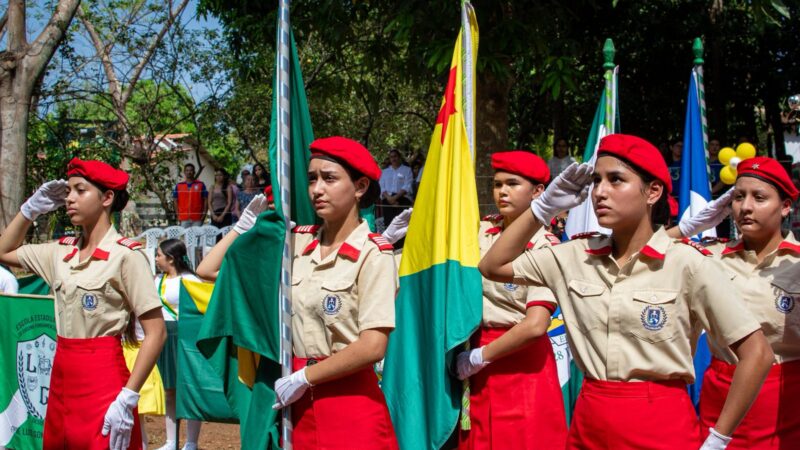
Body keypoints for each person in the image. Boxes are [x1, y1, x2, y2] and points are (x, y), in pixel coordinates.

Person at [478, 134, 773, 450]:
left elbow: (757, 353)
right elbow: (493, 265)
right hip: (590, 419)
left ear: (653, 192)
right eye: (596, 181)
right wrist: (542, 209)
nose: (600, 192)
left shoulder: (687, 263)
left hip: (660, 422)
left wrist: (718, 439)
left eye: (616, 180)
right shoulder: (576, 255)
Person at [198, 137, 400, 448]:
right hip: (295, 405)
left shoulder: (373, 254)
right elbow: (209, 271)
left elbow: (373, 346)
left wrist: (305, 377)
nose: (317, 189)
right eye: (312, 179)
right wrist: (244, 228)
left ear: (359, 187)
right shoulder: (295, 243)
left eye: (329, 178)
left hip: (348, 404)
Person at [0, 158, 166, 450]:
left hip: (103, 378)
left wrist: (128, 397)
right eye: (68, 192)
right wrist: (30, 210)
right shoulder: (60, 252)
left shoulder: (126, 256)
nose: (69, 199)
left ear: (107, 197)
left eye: (80, 190)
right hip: (62, 377)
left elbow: (156, 333)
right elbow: (4, 250)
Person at [670, 156, 800, 449]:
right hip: (721, 395)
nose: (746, 207)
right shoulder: (711, 256)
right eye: (738, 197)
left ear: (785, 206)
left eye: (760, 197)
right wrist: (687, 228)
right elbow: (646, 254)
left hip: (784, 401)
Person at [456, 150, 566, 448]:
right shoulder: (481, 232)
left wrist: (481, 357)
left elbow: (535, 325)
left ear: (539, 191)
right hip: (475, 360)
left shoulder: (546, 247)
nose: (502, 191)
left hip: (521, 365)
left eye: (513, 184)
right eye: (497, 184)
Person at [152, 239, 203, 450]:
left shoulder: (191, 280)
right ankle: (171, 441)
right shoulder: (158, 280)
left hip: (185, 337)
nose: (155, 259)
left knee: (189, 389)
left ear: (171, 258)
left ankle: (191, 441)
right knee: (170, 390)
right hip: (165, 335)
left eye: (158, 255)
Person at [378, 149, 414, 229]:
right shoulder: (384, 172)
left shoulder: (407, 170)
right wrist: (389, 199)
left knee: (402, 226)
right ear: (389, 159)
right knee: (389, 225)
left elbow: (407, 185)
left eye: (395, 156)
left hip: (402, 199)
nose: (393, 159)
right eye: (391, 157)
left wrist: (395, 198)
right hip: (387, 200)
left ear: (399, 157)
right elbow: (381, 186)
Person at [173, 163, 208, 227]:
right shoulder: (179, 186)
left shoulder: (200, 185)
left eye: (191, 170)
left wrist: (204, 214)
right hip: (183, 218)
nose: (189, 172)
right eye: (187, 170)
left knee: (197, 236)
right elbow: (175, 200)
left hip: (197, 217)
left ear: (194, 172)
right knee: (185, 236)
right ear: (184, 172)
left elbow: (206, 199)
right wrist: (178, 215)